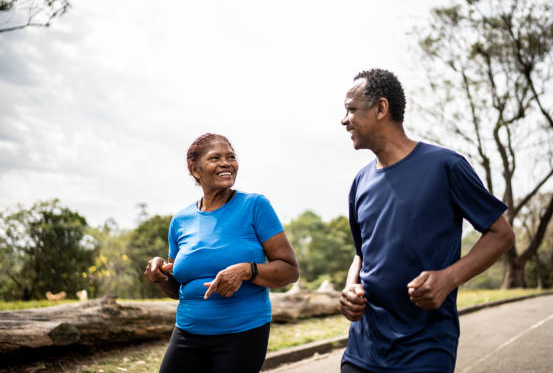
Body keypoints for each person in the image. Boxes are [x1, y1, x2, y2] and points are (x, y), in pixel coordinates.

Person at [339, 69, 515, 373]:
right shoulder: (360, 182)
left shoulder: (446, 166)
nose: (344, 119)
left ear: (381, 108)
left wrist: (449, 278)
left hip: (425, 349)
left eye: (352, 109)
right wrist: (349, 287)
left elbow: (501, 234)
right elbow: (361, 254)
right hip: (363, 350)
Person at [145, 133, 299, 373]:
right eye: (215, 158)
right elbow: (178, 288)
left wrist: (248, 270)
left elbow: (290, 270)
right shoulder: (180, 220)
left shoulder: (255, 206)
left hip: (242, 334)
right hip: (187, 333)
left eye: (231, 157)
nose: (226, 163)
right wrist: (161, 276)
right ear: (195, 169)